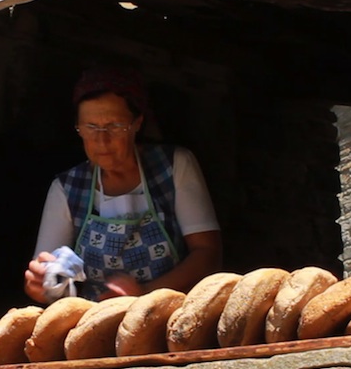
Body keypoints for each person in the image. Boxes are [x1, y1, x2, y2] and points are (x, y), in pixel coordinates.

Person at [25, 66, 222, 303]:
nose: (102, 140)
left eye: (115, 126)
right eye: (90, 127)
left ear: (137, 122)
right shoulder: (67, 189)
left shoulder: (173, 166)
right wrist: (40, 282)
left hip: (169, 313)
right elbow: (47, 278)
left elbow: (208, 253)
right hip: (94, 323)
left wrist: (145, 294)